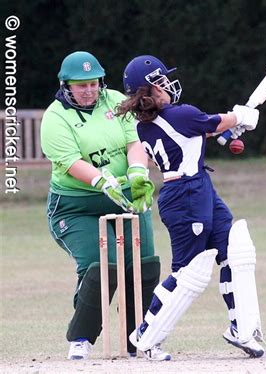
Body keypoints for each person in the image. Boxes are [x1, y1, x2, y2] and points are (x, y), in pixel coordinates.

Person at [116, 55, 265, 359]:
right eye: (161, 81)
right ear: (151, 89)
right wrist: (240, 117)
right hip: (184, 195)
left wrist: (227, 130)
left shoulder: (149, 123)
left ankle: (241, 327)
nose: (167, 85)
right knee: (189, 273)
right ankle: (146, 335)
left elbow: (202, 131)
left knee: (234, 252)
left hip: (199, 188)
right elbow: (212, 123)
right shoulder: (181, 114)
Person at [40, 51, 167, 360]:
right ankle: (81, 338)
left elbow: (134, 141)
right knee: (102, 265)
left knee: (145, 264)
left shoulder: (114, 101)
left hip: (126, 197)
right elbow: (70, 162)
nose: (89, 90)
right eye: (80, 85)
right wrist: (100, 181)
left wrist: (137, 171)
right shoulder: (56, 117)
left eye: (93, 83)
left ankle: (142, 337)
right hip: (76, 206)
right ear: (65, 85)